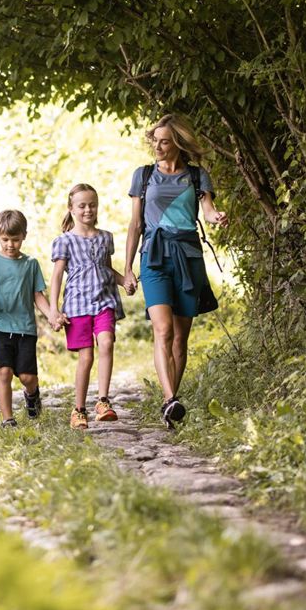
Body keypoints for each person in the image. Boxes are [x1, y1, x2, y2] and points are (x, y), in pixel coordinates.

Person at [122, 114, 229, 428]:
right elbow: (135, 224)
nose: (157, 145)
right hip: (154, 257)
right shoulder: (143, 177)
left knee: (181, 339)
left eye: (164, 140)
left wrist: (217, 216)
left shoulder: (196, 177)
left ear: (178, 143)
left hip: (188, 257)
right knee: (163, 330)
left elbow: (207, 211)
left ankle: (172, 404)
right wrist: (127, 268)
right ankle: (170, 399)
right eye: (154, 139)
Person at [49, 184, 134, 430]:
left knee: (107, 343)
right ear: (72, 208)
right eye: (82, 205)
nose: (88, 210)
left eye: (92, 204)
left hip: (104, 300)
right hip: (76, 306)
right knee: (86, 357)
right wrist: (54, 310)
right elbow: (56, 277)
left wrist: (124, 281)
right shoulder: (64, 241)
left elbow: (106, 268)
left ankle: (103, 401)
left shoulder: (106, 237)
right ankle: (78, 410)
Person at [0, 209, 64, 428]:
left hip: (25, 328)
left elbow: (38, 296)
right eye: (5, 239)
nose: (10, 244)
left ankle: (32, 394)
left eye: (15, 239)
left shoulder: (31, 264)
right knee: (4, 372)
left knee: (27, 377)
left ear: (24, 236)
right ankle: (7, 419)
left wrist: (52, 316)